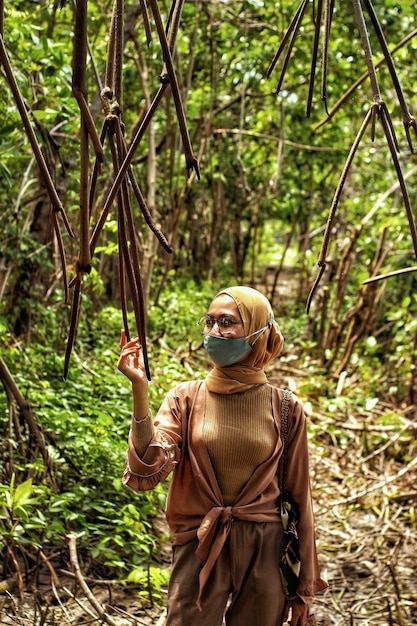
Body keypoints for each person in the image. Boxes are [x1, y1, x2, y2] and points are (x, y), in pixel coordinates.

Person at [118, 285, 327, 626]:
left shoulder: (286, 408)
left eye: (228, 322)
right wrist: (139, 389)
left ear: (259, 332)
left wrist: (304, 585)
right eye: (210, 321)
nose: (215, 332)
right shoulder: (185, 398)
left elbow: (300, 496)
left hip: (265, 549)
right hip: (200, 541)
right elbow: (147, 468)